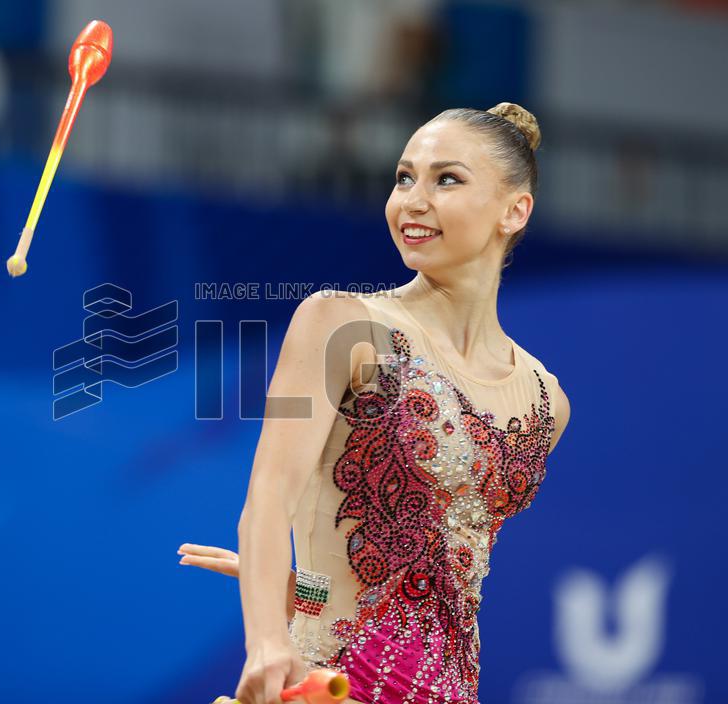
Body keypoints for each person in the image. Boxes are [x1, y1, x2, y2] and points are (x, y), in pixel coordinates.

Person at [179, 102, 571, 704]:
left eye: (447, 179)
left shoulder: (547, 401)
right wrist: (267, 641)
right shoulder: (339, 323)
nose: (412, 200)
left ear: (514, 211)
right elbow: (268, 497)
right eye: (403, 177)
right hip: (329, 686)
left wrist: (296, 588)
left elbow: (434, 583)